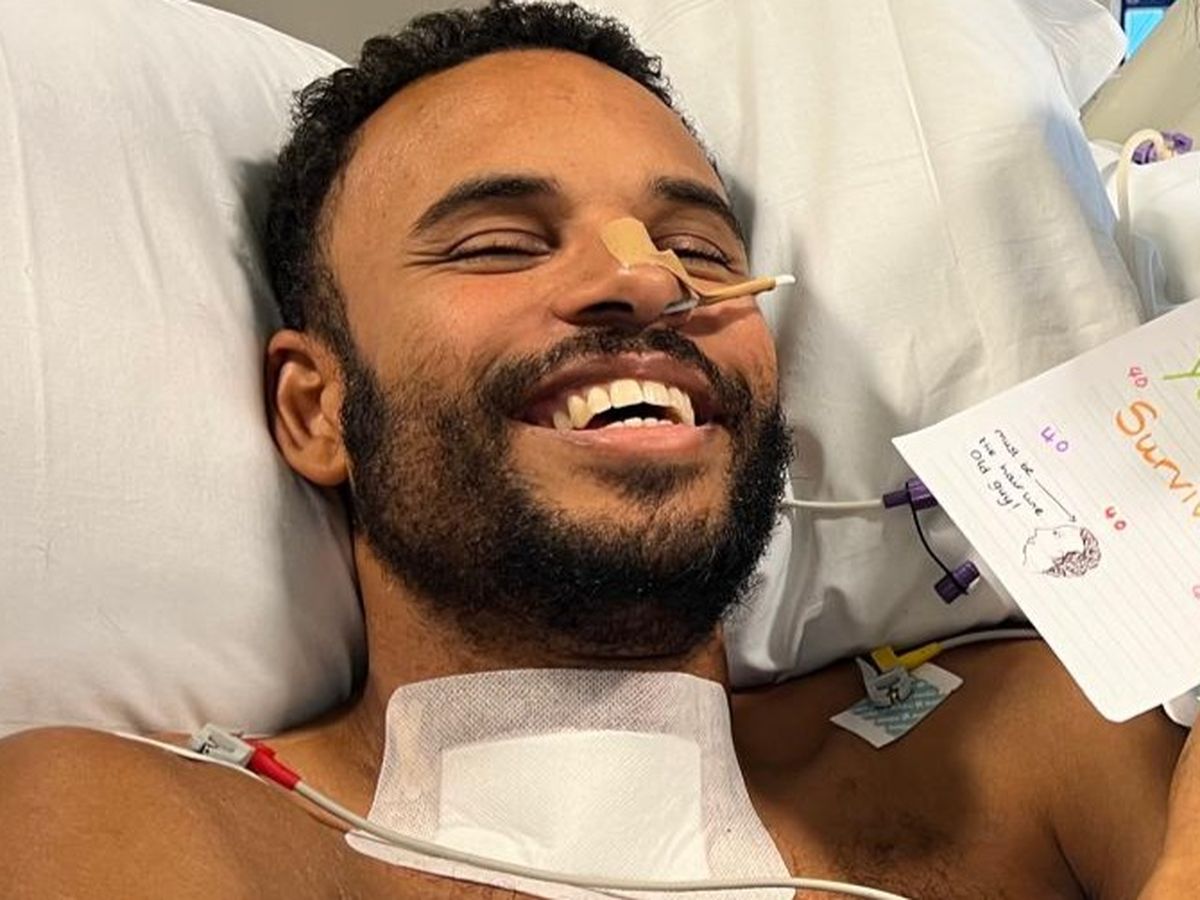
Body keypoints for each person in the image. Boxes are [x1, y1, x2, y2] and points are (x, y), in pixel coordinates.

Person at [0, 3, 1192, 898]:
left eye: (701, 250)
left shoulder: (1028, 748)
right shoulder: (126, 827)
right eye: (498, 244)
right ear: (317, 409)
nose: (647, 281)